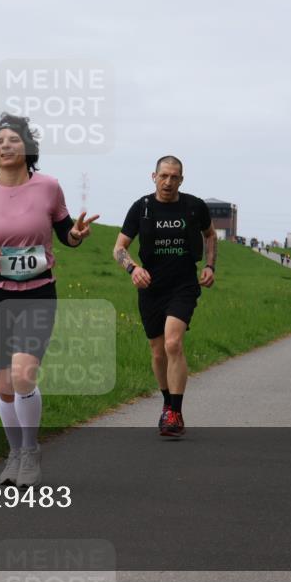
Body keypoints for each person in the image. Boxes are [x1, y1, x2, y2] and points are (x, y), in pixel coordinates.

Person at [0, 113, 99, 487]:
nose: (5, 146)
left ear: (29, 148)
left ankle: (31, 451)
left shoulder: (49, 187)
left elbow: (67, 233)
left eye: (14, 140)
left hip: (37, 291)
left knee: (23, 373)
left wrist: (78, 235)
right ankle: (16, 453)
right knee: (4, 385)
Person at [113, 156, 216, 437]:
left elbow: (210, 235)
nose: (168, 182)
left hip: (183, 284)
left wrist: (209, 266)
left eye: (174, 177)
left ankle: (175, 412)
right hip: (151, 287)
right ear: (153, 176)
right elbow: (119, 247)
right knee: (157, 351)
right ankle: (168, 404)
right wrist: (133, 269)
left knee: (173, 342)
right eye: (164, 176)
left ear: (182, 180)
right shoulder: (142, 208)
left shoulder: (194, 207)